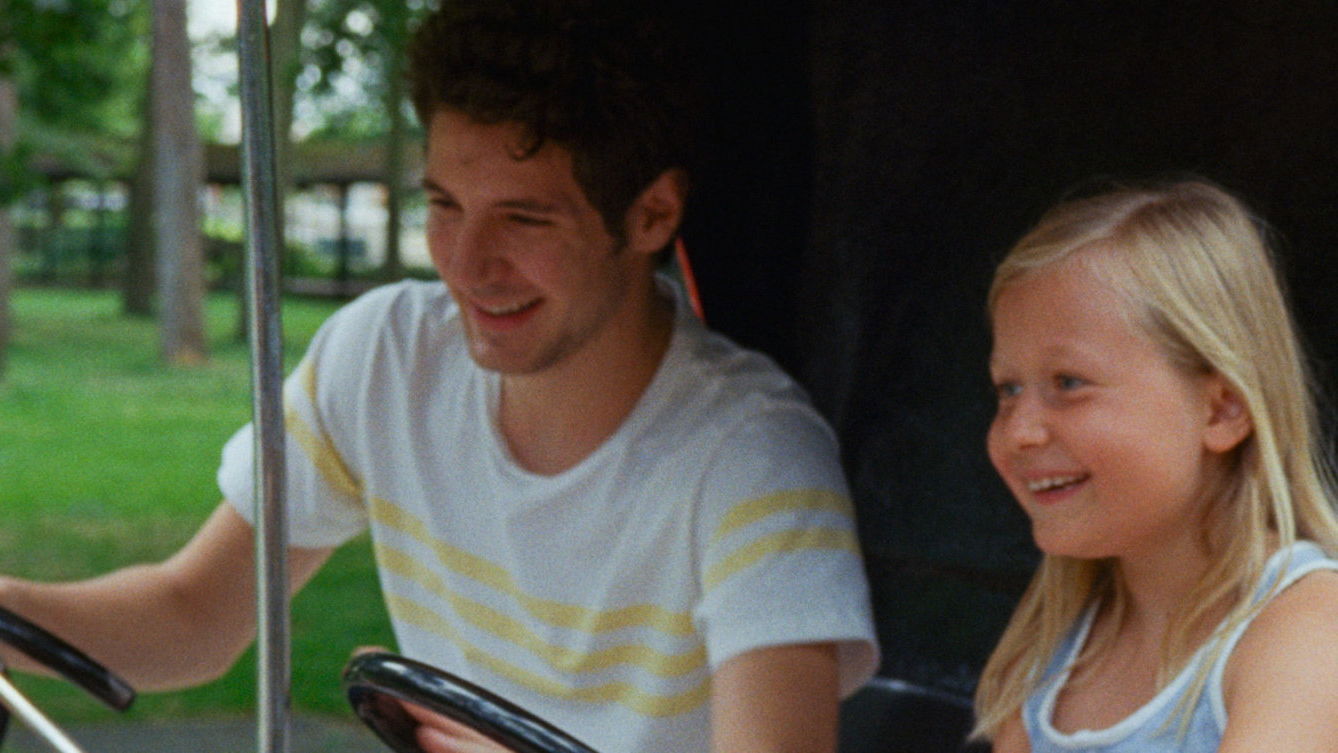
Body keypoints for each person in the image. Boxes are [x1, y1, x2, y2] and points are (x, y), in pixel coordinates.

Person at [0, 3, 878, 752]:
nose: (466, 265)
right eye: (444, 205)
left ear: (652, 213)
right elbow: (194, 615)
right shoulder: (383, 358)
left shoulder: (754, 459)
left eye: (523, 218)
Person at [971, 179, 1338, 752]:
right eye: (1008, 389)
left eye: (1069, 383)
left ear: (1221, 410)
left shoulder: (1309, 626)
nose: (1020, 431)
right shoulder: (1051, 642)